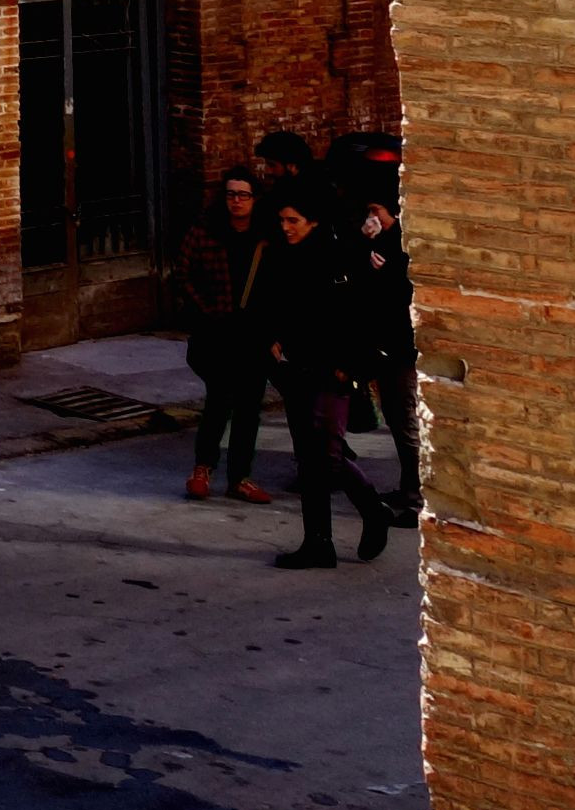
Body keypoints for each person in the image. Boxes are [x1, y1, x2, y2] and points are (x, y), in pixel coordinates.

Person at [252, 183, 388, 569]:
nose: (286, 227)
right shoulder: (282, 255)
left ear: (312, 221)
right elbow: (274, 305)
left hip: (332, 370)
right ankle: (318, 542)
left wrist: (350, 366)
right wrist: (273, 338)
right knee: (309, 458)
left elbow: (357, 316)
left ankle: (371, 508)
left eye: (293, 220)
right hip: (296, 368)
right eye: (282, 220)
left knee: (326, 454)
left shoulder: (338, 256)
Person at [174, 167, 275, 502]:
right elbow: (183, 273)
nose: (236, 201)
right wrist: (205, 310)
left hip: (254, 334)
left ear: (254, 199)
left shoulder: (267, 236)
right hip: (215, 332)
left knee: (248, 408)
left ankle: (240, 478)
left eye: (243, 195)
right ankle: (202, 469)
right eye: (231, 194)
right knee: (218, 400)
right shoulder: (205, 231)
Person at [348, 193, 420, 525]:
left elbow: (404, 291)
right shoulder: (375, 243)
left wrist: (386, 271)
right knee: (394, 416)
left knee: (405, 420)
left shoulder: (403, 243)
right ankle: (408, 489)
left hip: (402, 346)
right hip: (385, 345)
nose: (371, 218)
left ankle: (417, 499)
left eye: (375, 211)